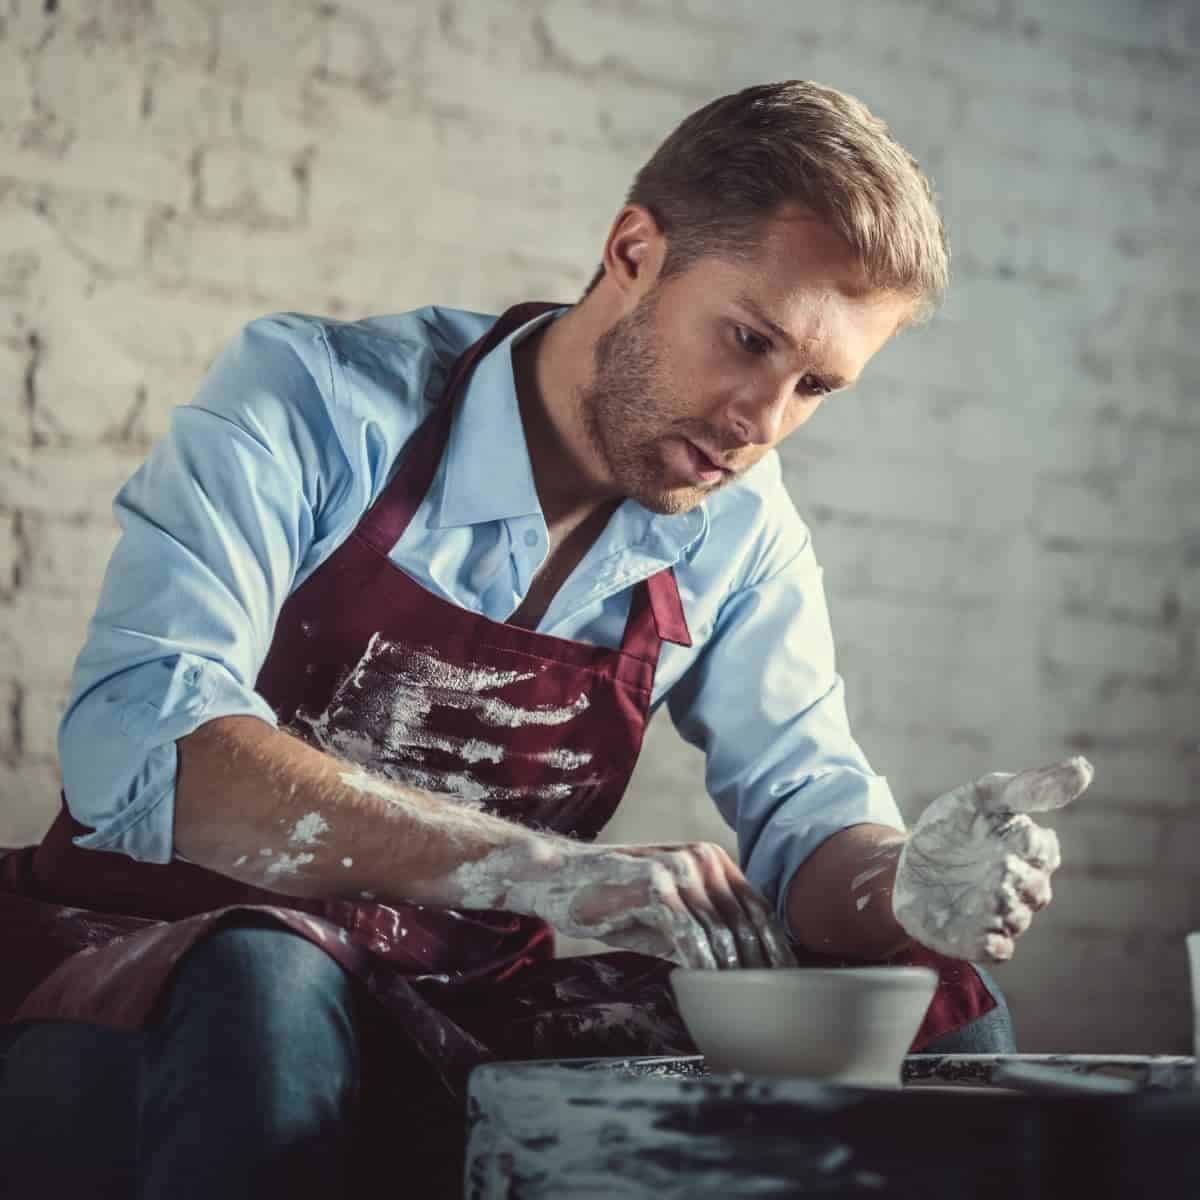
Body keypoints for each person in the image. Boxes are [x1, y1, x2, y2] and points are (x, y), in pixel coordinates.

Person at [0, 80, 1089, 1197]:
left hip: (452, 995)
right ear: (633, 251)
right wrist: (533, 868)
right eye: (749, 340)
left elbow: (810, 822)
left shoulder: (739, 534)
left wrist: (908, 887)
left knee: (938, 1002)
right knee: (266, 976)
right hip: (149, 969)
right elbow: (137, 741)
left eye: (813, 385)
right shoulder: (318, 399)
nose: (758, 423)